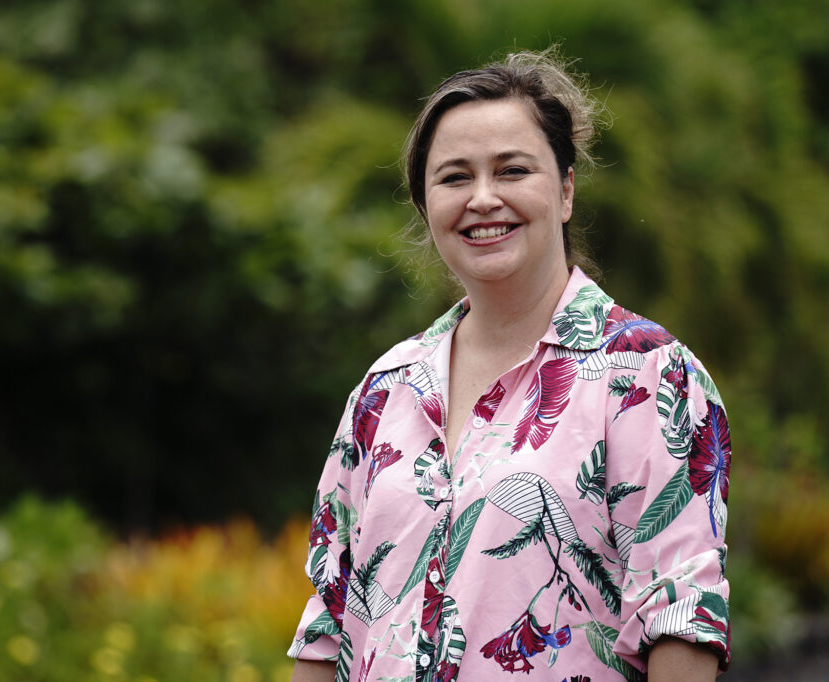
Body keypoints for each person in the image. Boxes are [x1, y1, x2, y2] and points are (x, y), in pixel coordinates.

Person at [288, 49, 731, 681]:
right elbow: (329, 624)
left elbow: (680, 618)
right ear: (426, 206)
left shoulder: (646, 376)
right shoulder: (384, 390)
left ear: (567, 188)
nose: (484, 198)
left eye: (513, 169)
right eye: (454, 177)